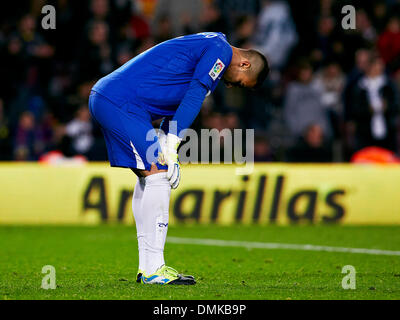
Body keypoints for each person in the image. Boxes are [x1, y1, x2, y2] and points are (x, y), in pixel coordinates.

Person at [89, 32, 269, 285]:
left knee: (151, 176)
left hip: (119, 101)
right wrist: (172, 145)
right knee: (159, 174)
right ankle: (154, 270)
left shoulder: (212, 47)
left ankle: (147, 269)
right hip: (121, 102)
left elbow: (177, 103)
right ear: (245, 64)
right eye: (240, 82)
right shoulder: (220, 50)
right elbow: (195, 94)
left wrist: (165, 140)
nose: (231, 86)